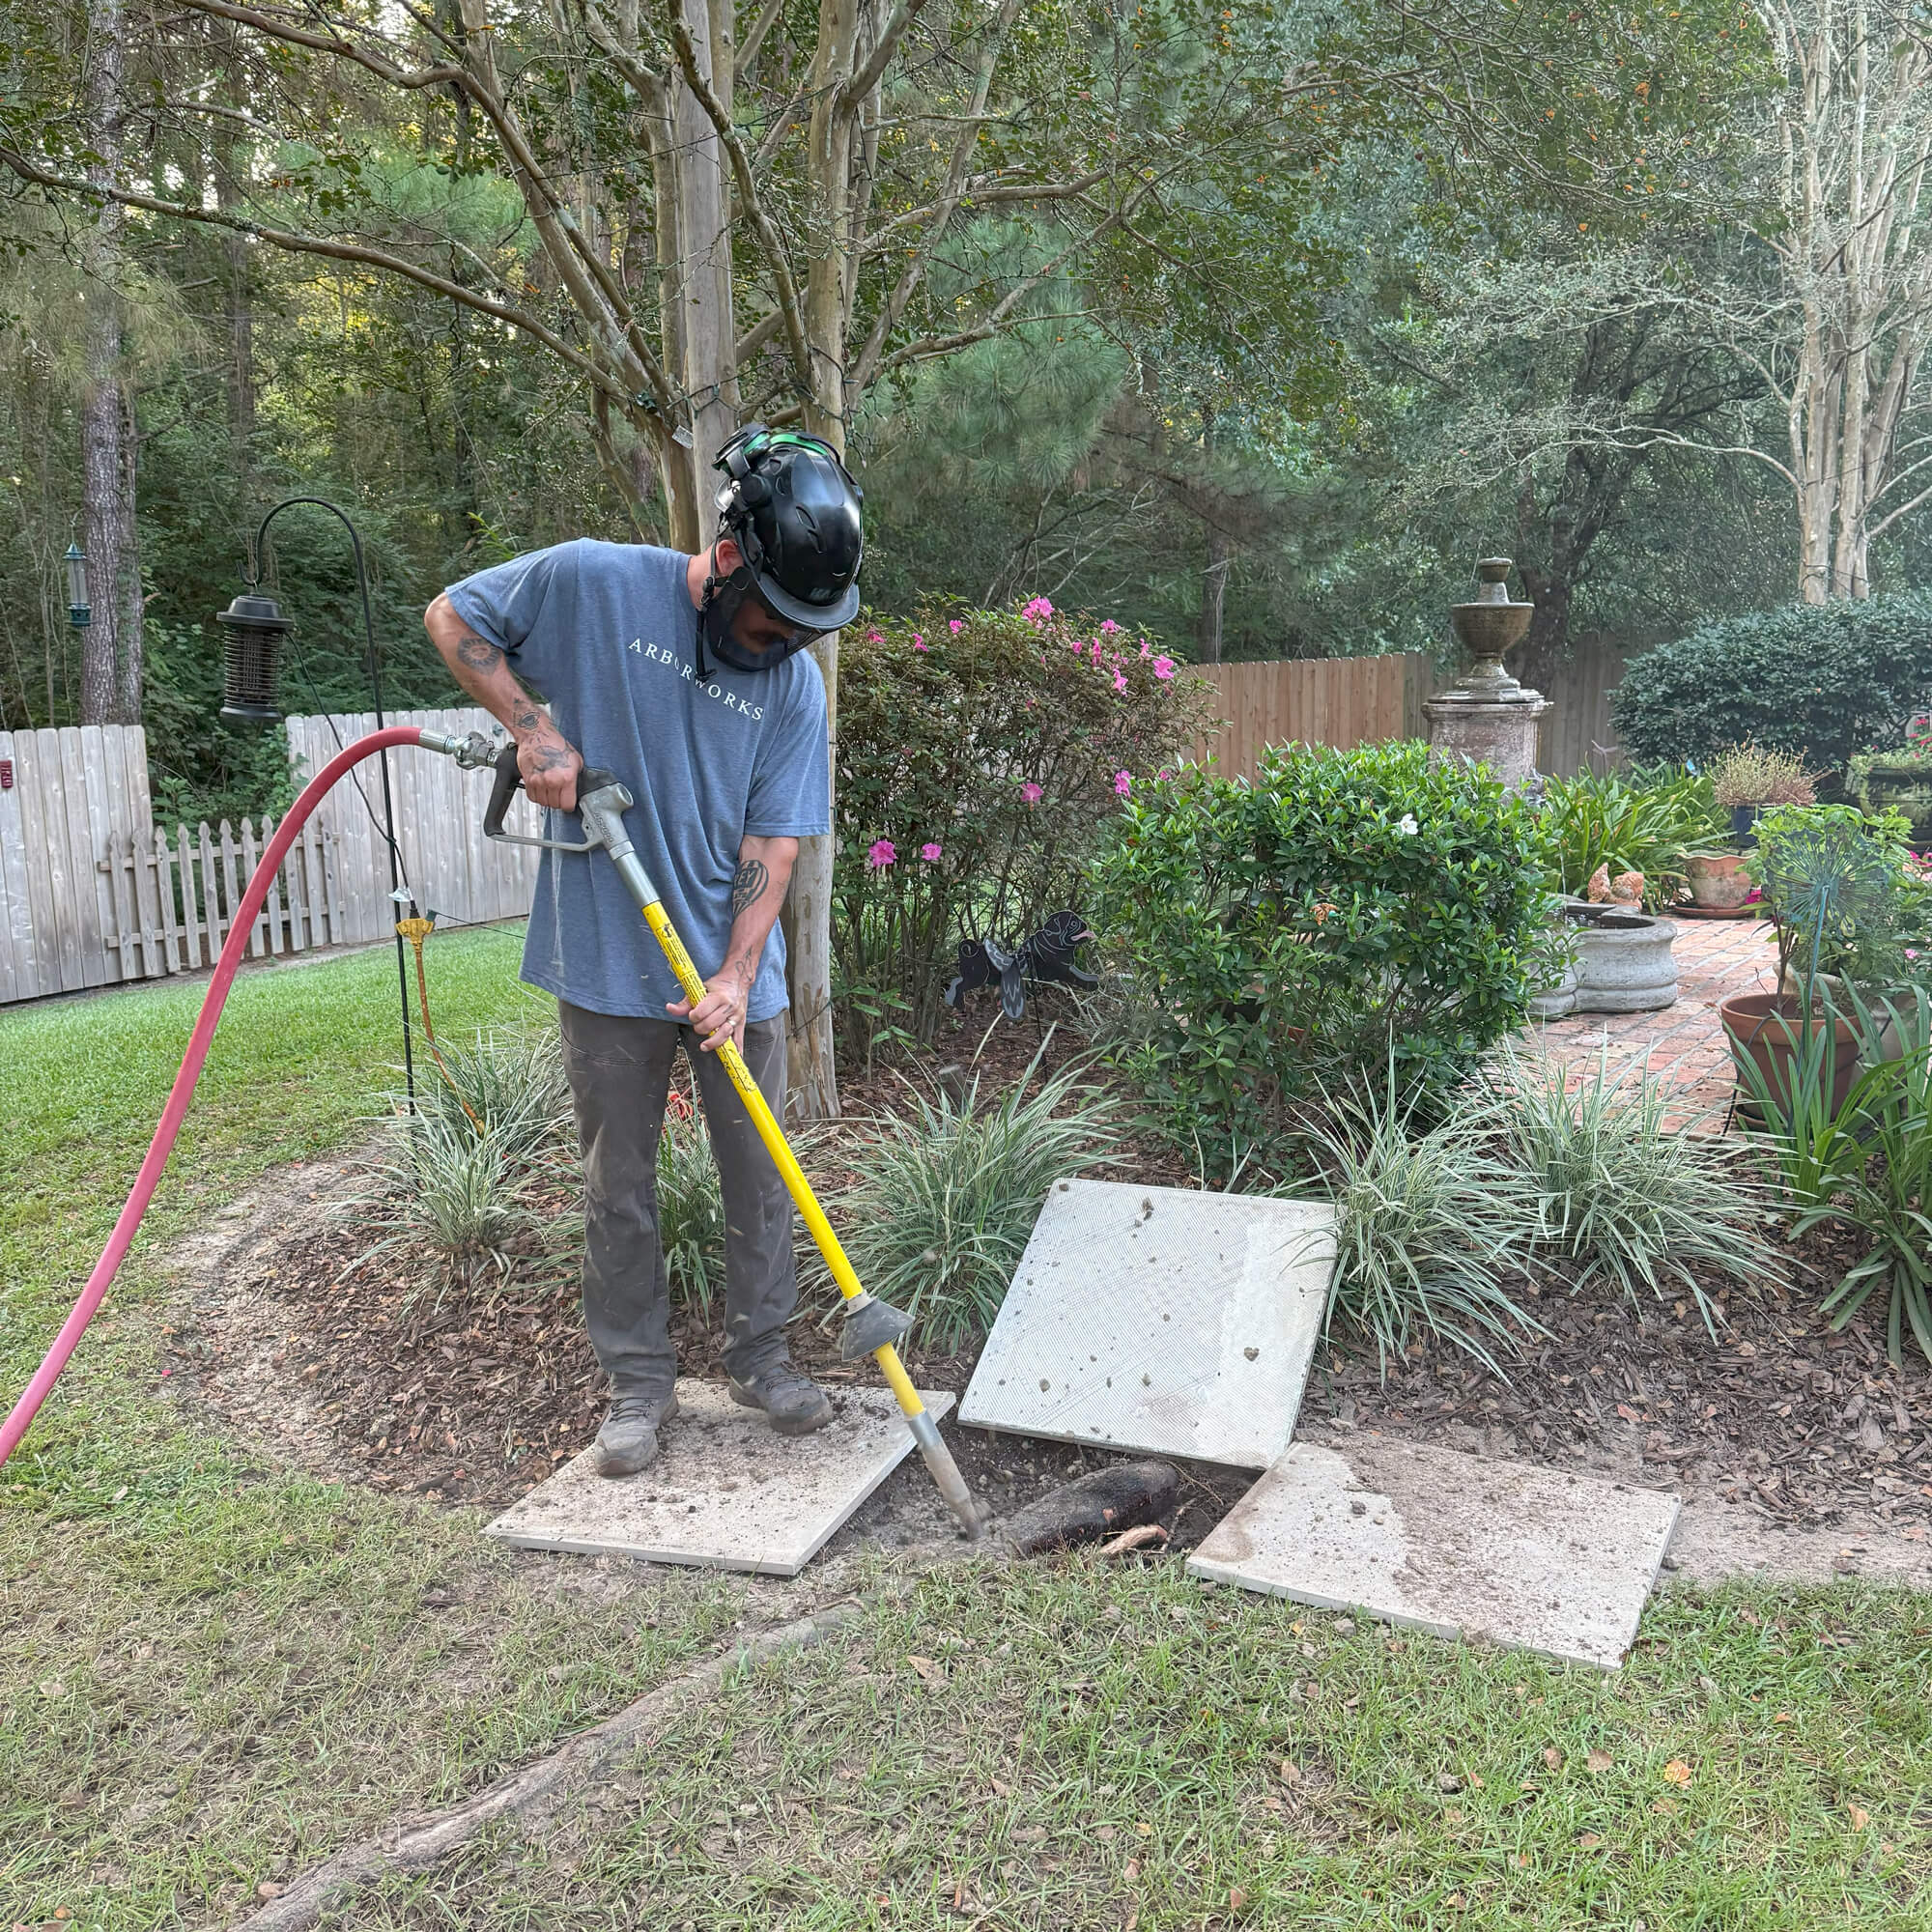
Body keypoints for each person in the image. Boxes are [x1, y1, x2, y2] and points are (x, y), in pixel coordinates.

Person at [422, 425, 865, 1477]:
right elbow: (454, 616)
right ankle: (637, 1379)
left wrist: (736, 974)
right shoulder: (590, 583)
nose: (777, 645)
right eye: (767, 620)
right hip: (606, 949)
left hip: (724, 974)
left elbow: (776, 839)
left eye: (800, 630)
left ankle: (762, 1355)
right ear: (725, 561)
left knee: (758, 1171)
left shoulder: (792, 684)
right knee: (615, 1180)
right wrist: (531, 726)